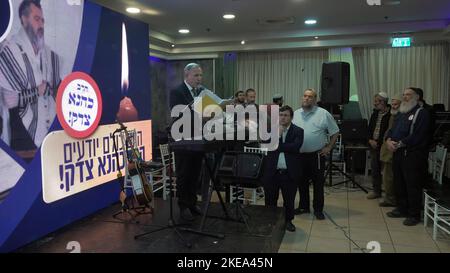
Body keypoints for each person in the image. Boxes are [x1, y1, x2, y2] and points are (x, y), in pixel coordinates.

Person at [0, 0, 60, 162]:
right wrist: (38, 91)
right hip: (21, 147)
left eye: (42, 20)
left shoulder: (48, 55)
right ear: (24, 19)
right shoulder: (8, 51)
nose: (41, 24)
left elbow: (57, 88)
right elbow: (9, 100)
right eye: (36, 19)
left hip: (49, 142)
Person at [292, 88, 339, 220]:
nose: (307, 98)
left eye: (310, 97)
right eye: (305, 96)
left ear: (314, 99)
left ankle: (318, 209)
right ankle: (303, 207)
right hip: (300, 156)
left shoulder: (323, 114)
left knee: (318, 184)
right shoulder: (295, 114)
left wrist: (329, 147)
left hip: (316, 155)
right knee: (302, 183)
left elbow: (335, 132)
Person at [385, 88, 430, 226]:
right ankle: (402, 208)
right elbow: (392, 130)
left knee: (412, 185)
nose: (405, 97)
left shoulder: (421, 113)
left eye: (408, 95)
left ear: (416, 98)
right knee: (399, 183)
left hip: (412, 155)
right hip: (398, 153)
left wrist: (400, 143)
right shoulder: (401, 113)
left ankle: (414, 214)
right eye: (403, 95)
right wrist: (388, 140)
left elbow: (419, 135)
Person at [169, 63, 204, 221]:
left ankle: (192, 203)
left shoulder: (200, 92)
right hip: (183, 140)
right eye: (196, 75)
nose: (199, 78)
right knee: (184, 174)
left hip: (198, 139)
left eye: (200, 75)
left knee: (195, 174)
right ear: (187, 75)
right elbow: (177, 114)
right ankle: (183, 206)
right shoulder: (177, 92)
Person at [262, 105, 303, 232]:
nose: (283, 118)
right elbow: (266, 145)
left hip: (289, 173)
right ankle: (270, 220)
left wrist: (278, 143)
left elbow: (295, 147)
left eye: (286, 115)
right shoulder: (270, 130)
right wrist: (278, 136)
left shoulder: (298, 131)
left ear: (291, 117)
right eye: (280, 115)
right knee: (270, 199)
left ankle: (288, 221)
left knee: (289, 200)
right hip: (272, 172)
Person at [367, 92, 391, 199]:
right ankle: (376, 191)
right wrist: (370, 140)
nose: (375, 104)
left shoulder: (391, 114)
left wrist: (380, 142)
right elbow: (369, 129)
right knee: (375, 169)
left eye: (377, 101)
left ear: (383, 102)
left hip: (385, 146)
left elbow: (389, 131)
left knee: (387, 171)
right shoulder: (375, 113)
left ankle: (389, 194)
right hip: (374, 145)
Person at [379, 94, 401, 207]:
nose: (394, 106)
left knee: (390, 177)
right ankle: (389, 198)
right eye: (392, 104)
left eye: (396, 104)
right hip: (387, 149)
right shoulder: (393, 115)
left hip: (393, 150)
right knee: (387, 176)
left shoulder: (400, 116)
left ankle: (391, 199)